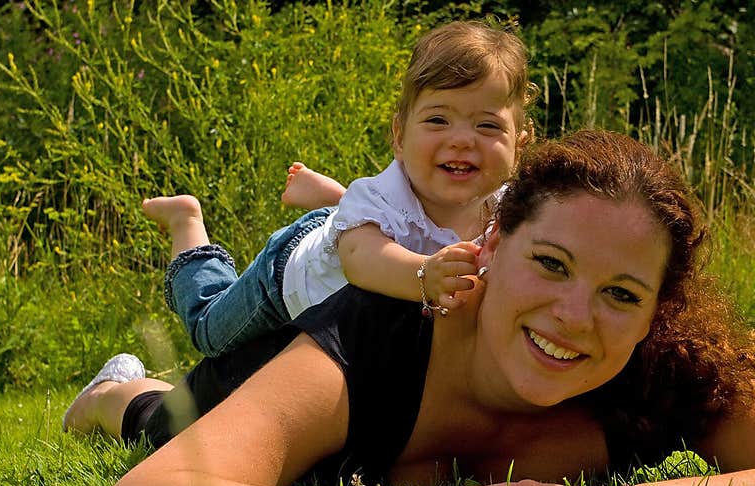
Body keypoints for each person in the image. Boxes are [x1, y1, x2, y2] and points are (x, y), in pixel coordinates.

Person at [64, 129, 755, 486]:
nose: (574, 317)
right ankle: (113, 392)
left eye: (621, 293)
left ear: (653, 314)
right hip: (261, 374)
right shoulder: (381, 334)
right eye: (550, 263)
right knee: (168, 419)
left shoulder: (665, 370)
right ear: (490, 244)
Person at [142, 20, 536, 357]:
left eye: (487, 125)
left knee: (366, 212)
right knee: (210, 331)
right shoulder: (382, 200)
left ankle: (336, 197)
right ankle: (186, 222)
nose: (462, 140)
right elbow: (362, 259)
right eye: (438, 120)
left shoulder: (511, 211)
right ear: (399, 137)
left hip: (360, 240)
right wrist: (423, 273)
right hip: (295, 275)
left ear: (519, 144)